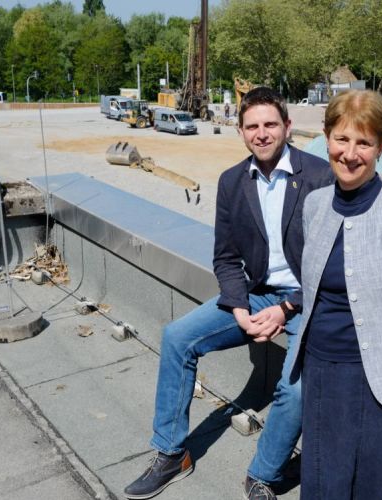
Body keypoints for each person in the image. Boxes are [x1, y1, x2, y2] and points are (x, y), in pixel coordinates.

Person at [124, 87, 333, 500]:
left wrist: (288, 307)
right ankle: (171, 453)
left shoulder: (320, 177)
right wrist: (238, 307)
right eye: (252, 126)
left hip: (308, 300)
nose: (262, 133)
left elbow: (331, 262)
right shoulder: (232, 182)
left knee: (295, 388)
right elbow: (225, 259)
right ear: (239, 131)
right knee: (177, 338)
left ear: (287, 127)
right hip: (256, 295)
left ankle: (263, 475)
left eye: (270, 124)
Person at [285, 89, 382, 499]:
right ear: (326, 139)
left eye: (364, 142)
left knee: (380, 486)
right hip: (324, 372)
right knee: (325, 483)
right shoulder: (316, 204)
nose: (350, 153)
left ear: (381, 147)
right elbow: (313, 282)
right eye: (341, 139)